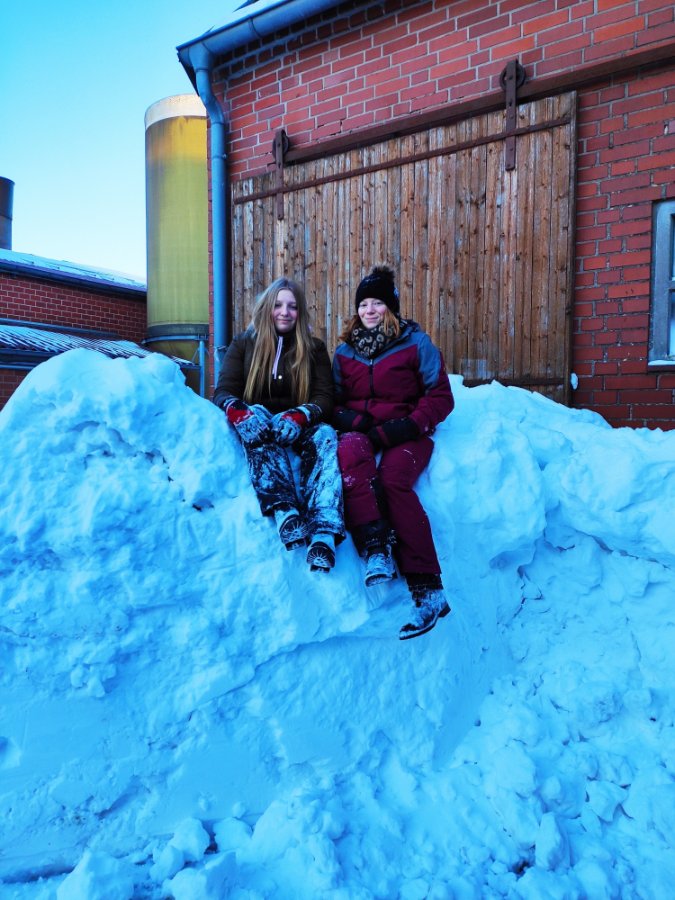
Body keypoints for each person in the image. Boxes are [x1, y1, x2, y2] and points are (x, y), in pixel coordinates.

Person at [332, 265, 454, 639]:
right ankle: (376, 548)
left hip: (407, 432)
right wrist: (354, 421)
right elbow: (332, 401)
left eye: (377, 303)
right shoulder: (344, 353)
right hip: (364, 431)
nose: (369, 310)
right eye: (363, 304)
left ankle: (428, 589)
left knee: (392, 481)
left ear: (391, 307)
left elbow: (441, 396)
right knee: (350, 457)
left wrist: (408, 425)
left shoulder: (416, 344)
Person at [214, 277, 344, 571]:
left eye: (292, 306)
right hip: (261, 421)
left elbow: (325, 397)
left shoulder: (314, 348)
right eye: (278, 305)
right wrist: (237, 410)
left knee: (325, 434)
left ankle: (323, 532)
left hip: (300, 424)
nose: (285, 312)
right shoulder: (244, 343)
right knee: (254, 419)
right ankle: (285, 511)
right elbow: (223, 391)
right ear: (266, 308)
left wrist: (302, 414)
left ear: (300, 312)